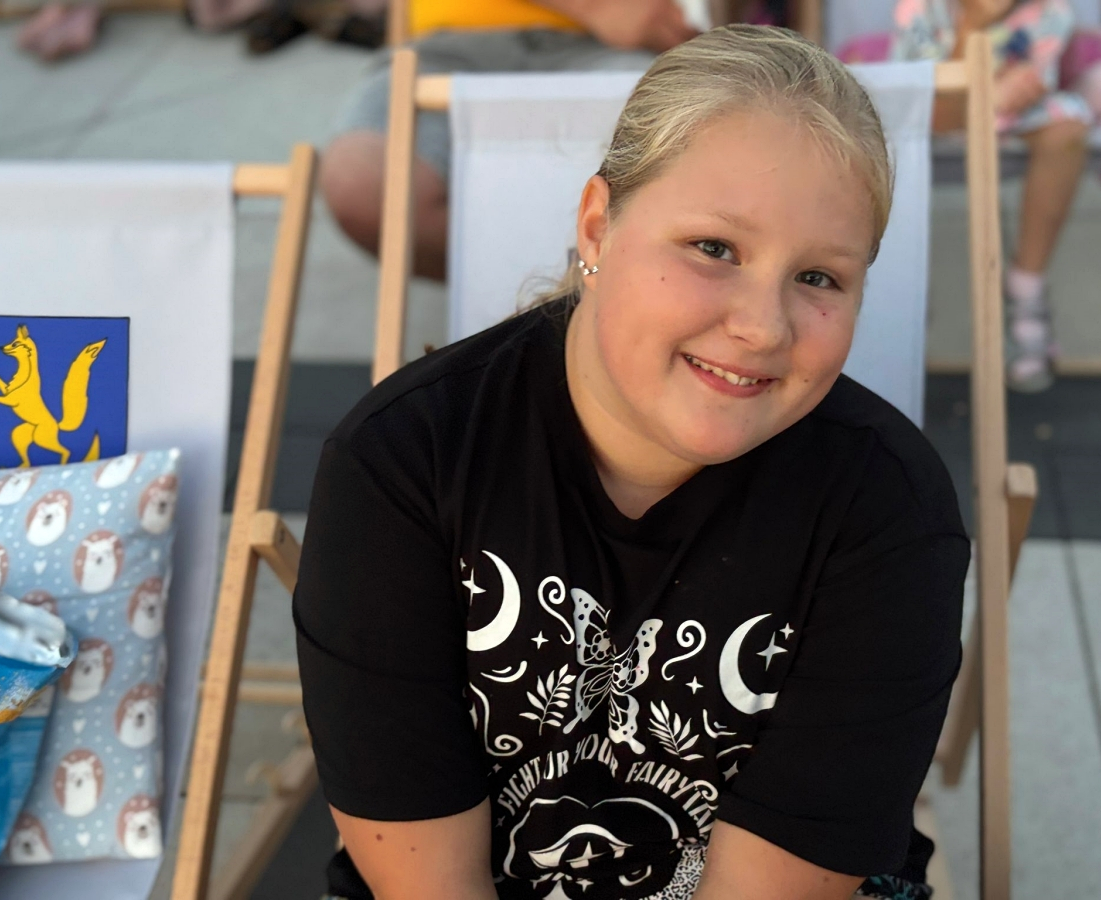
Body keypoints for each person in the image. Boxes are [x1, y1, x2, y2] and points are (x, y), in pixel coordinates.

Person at [296, 24, 969, 900]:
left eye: (820, 278)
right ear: (598, 224)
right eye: (714, 249)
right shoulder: (406, 461)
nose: (762, 327)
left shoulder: (884, 511)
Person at [318, 0, 699, 281]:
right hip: (445, 46)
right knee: (366, 181)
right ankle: (539, 316)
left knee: (685, 154)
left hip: (625, 51)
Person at [891, 0, 1091, 392]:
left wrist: (993, 98)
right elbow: (929, 109)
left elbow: (1027, 92)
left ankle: (1026, 290)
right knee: (879, 134)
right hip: (922, 124)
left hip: (1010, 118)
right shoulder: (917, 8)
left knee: (1068, 129)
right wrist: (974, 24)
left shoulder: (1051, 11)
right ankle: (900, 304)